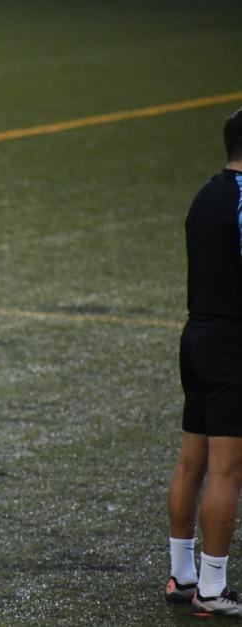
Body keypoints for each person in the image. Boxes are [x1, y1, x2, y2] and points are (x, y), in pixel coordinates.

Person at [166, 106, 242, 617]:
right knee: (227, 469)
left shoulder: (204, 196)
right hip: (233, 344)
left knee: (191, 461)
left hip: (196, 335)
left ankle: (182, 573)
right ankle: (212, 590)